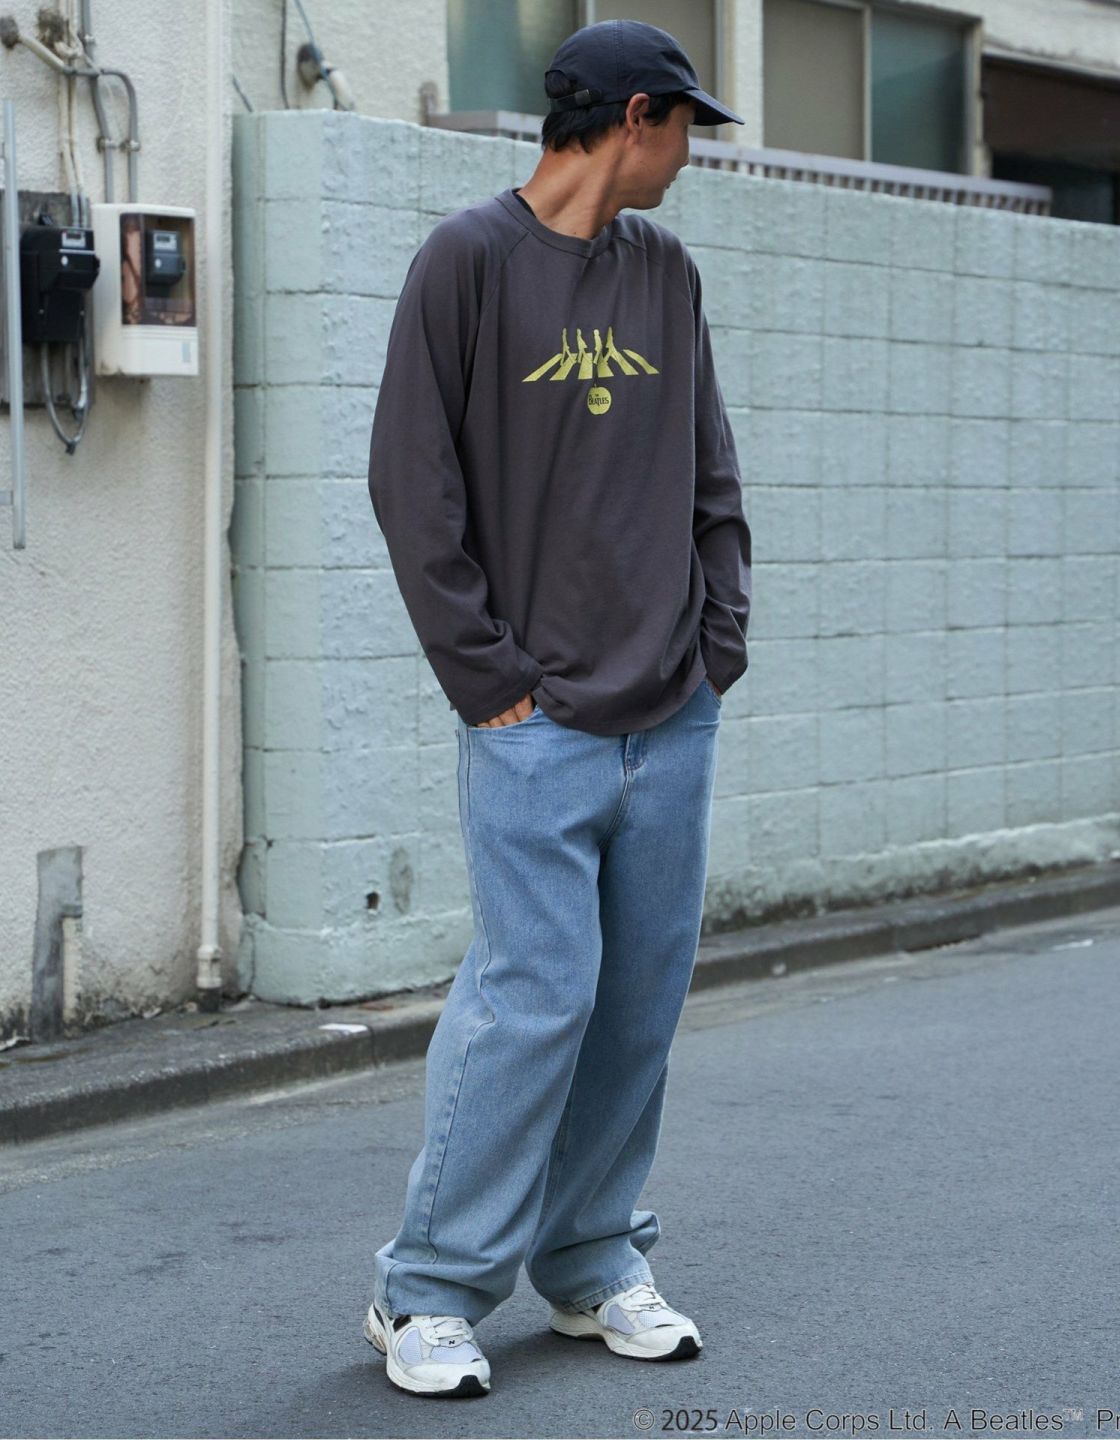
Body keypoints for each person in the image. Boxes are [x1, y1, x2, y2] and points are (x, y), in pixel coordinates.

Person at [363, 18, 751, 1399]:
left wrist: (717, 642)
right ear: (635, 117)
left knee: (636, 1003)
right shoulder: (467, 261)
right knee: (533, 999)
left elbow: (712, 471)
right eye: (687, 124)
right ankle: (425, 1292)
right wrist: (493, 687)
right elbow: (412, 489)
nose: (692, 151)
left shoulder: (666, 274)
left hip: (670, 712)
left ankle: (591, 1260)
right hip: (537, 723)